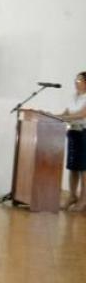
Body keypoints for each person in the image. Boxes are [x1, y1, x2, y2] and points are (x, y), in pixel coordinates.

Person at [55, 71, 86, 211]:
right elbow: (66, 113)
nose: (76, 82)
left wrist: (65, 118)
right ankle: (72, 196)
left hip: (84, 133)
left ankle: (83, 199)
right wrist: (51, 115)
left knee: (83, 168)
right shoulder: (73, 96)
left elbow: (82, 115)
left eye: (79, 80)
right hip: (72, 133)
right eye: (75, 80)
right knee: (72, 166)